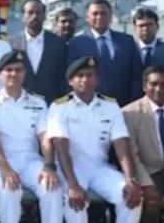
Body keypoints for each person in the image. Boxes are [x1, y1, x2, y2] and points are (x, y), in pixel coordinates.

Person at [47, 56, 143, 223]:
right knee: (75, 203)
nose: (85, 79)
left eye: (90, 75)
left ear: (97, 79)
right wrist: (73, 185)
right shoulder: (59, 107)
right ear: (70, 81)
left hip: (100, 168)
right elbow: (61, 149)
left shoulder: (110, 106)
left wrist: (131, 180)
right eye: (80, 76)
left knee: (132, 197)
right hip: (72, 170)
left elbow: (122, 146)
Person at [0, 50, 63, 223]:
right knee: (9, 189)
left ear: (24, 73)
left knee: (52, 187)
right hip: (2, 162)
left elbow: (45, 138)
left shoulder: (38, 102)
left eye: (18, 70)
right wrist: (5, 168)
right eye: (9, 70)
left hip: (31, 161)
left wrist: (49, 166)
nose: (13, 74)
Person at [122, 64, 164, 222]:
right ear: (144, 86)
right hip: (149, 170)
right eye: (153, 84)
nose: (158, 89)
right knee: (148, 206)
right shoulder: (129, 113)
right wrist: (145, 184)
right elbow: (132, 155)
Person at [65, 0, 143, 106]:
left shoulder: (127, 41)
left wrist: (133, 103)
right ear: (87, 17)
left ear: (110, 16)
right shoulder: (76, 43)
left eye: (103, 13)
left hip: (123, 105)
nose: (99, 17)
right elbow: (70, 77)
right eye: (95, 13)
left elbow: (137, 76)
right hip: (89, 106)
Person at [8, 0, 67, 104]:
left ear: (44, 16)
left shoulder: (58, 43)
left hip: (51, 104)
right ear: (23, 16)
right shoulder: (11, 44)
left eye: (38, 13)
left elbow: (63, 78)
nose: (34, 16)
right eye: (30, 12)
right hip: (20, 104)